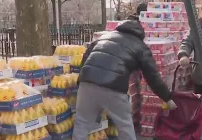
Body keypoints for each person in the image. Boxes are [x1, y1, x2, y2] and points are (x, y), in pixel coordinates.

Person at [73, 7, 176, 139]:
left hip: (86, 82)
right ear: (140, 33)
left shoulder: (105, 36)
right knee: (124, 125)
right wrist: (167, 97)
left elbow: (86, 56)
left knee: (82, 123)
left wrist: (80, 81)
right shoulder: (140, 46)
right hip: (113, 87)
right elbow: (153, 77)